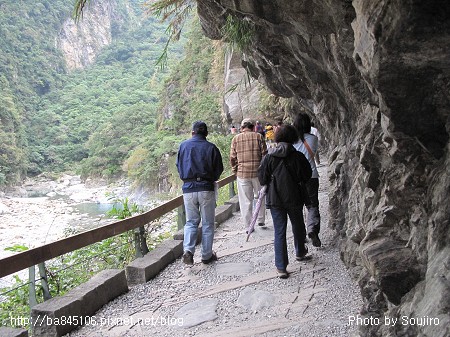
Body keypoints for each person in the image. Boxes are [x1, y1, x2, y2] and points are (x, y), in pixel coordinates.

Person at [258, 124, 312, 279]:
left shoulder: (268, 156)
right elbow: (306, 175)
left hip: (275, 198)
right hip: (294, 195)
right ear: (293, 137)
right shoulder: (298, 156)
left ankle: (281, 267)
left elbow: (262, 178)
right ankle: (300, 252)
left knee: (279, 230)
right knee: (298, 224)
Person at [176, 121, 224, 265]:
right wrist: (210, 179)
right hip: (206, 188)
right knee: (208, 223)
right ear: (206, 134)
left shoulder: (183, 146)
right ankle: (206, 255)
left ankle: (188, 250)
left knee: (191, 222)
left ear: (193, 132)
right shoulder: (211, 148)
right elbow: (218, 169)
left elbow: (179, 166)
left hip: (188, 189)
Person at [230, 118, 268, 229]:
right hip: (258, 173)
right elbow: (265, 156)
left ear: (242, 128)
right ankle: (260, 219)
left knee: (245, 200)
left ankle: (248, 225)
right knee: (260, 196)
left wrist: (235, 170)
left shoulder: (235, 139)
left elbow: (232, 158)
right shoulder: (258, 137)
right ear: (252, 127)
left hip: (242, 174)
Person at [293, 113, 322, 247]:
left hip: (296, 178)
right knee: (312, 205)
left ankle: (301, 235)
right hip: (311, 175)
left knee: (298, 206)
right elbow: (313, 153)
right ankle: (312, 228)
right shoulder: (313, 139)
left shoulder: (292, 141)